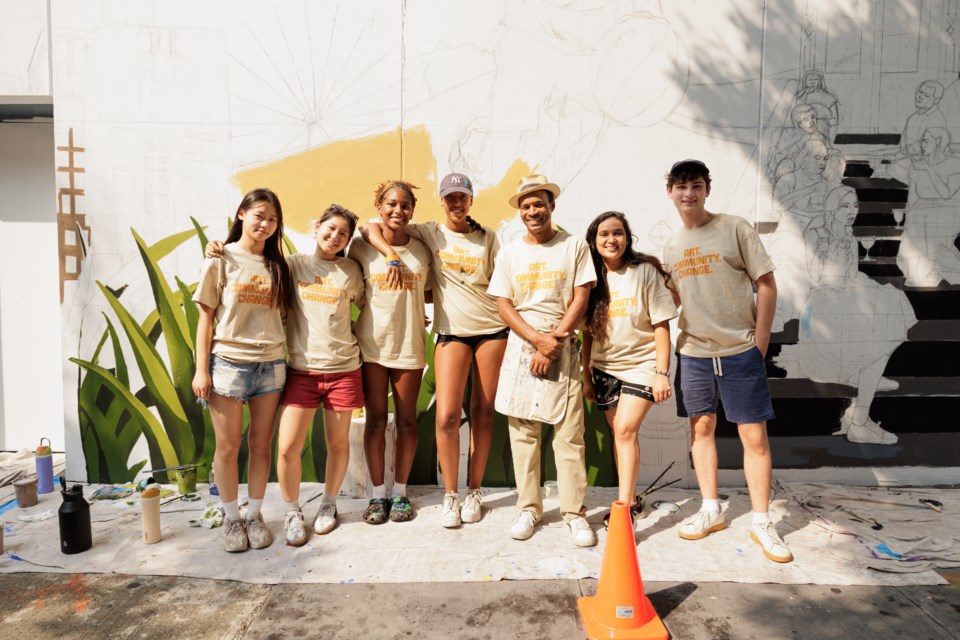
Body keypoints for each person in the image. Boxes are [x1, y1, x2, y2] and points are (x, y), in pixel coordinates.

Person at [206, 204, 365, 546]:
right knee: (288, 447)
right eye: (331, 228)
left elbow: (369, 308)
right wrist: (215, 247)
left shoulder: (352, 271)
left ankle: (328, 505)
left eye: (343, 234)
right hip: (300, 370)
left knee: (338, 443)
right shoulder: (290, 266)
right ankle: (292, 511)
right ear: (316, 226)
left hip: (344, 369)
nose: (335, 237)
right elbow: (252, 264)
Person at [662, 160, 792, 564]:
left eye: (696, 186)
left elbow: (766, 283)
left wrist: (762, 339)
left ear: (707, 189)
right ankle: (711, 508)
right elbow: (678, 299)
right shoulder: (672, 247)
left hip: (739, 351)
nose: (689, 193)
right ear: (669, 191)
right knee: (701, 431)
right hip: (694, 353)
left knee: (753, 438)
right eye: (681, 186)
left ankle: (761, 521)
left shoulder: (734, 227)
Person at [360, 173, 507, 529]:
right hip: (450, 332)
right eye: (450, 198)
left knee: (483, 413)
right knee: (446, 418)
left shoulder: (488, 237)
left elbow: (504, 281)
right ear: (442, 201)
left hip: (491, 330)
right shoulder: (430, 232)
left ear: (471, 200)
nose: (457, 204)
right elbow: (368, 226)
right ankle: (450, 495)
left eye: (463, 197)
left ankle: (474, 491)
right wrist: (391, 255)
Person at [488, 174, 598, 547]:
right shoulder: (510, 251)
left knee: (569, 436)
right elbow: (503, 302)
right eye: (526, 206)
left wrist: (553, 341)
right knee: (524, 436)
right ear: (519, 213)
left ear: (552, 206)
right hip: (522, 346)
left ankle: (574, 514)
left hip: (562, 346)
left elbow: (581, 297)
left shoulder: (573, 246)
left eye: (539, 204)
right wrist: (536, 340)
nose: (533, 211)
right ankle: (529, 508)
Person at [192, 188, 292, 553]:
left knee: (261, 445)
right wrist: (201, 370)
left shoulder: (278, 265)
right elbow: (205, 318)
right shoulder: (220, 259)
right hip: (229, 365)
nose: (264, 224)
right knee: (228, 447)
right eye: (259, 216)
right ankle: (232, 518)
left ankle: (255, 514)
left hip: (271, 365)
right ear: (241, 214)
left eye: (272, 219)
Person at [581, 211, 677, 523]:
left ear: (627, 237)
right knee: (621, 434)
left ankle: (623, 509)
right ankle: (631, 498)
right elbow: (586, 336)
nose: (612, 240)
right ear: (594, 243)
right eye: (604, 234)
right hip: (605, 368)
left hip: (643, 365)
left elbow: (662, 325)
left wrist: (661, 373)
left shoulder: (645, 271)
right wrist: (586, 375)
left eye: (618, 233)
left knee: (624, 429)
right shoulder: (590, 279)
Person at [348, 180, 432, 525]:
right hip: (372, 347)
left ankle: (400, 493)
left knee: (408, 420)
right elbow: (363, 230)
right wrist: (389, 253)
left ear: (413, 210)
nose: (398, 211)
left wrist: (414, 307)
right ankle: (377, 496)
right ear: (379, 206)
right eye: (391, 204)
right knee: (377, 421)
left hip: (410, 345)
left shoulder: (423, 250)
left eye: (405, 205)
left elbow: (427, 292)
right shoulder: (361, 248)